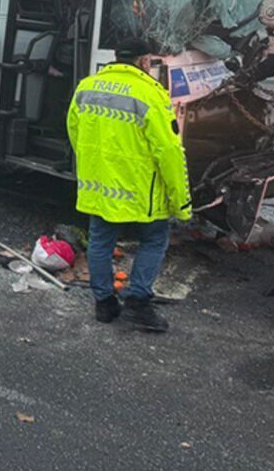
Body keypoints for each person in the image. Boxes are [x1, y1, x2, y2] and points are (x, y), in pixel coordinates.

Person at [68, 37, 188, 332]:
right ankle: (137, 303)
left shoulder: (86, 87)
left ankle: (104, 305)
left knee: (99, 242)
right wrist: (181, 201)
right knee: (154, 239)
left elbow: (74, 132)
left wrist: (94, 169)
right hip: (140, 192)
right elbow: (169, 153)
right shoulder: (151, 94)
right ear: (144, 61)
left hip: (99, 186)